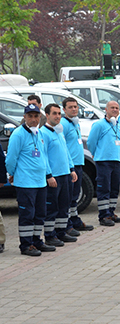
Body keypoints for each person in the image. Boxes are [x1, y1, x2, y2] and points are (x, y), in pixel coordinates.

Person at [6, 103, 57, 256]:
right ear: (24, 117)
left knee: (40, 213)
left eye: (36, 116)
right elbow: (11, 158)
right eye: (30, 116)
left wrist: (48, 175)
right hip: (25, 182)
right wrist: (12, 173)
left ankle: (36, 241)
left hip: (40, 182)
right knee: (27, 214)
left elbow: (44, 157)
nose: (34, 119)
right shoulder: (18, 134)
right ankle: (26, 245)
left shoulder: (39, 133)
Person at [40, 103, 78, 246]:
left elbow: (66, 152)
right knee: (52, 207)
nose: (57, 116)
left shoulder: (59, 131)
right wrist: (49, 175)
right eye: (54, 114)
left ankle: (61, 232)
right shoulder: (43, 133)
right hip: (54, 177)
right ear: (47, 115)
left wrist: (71, 169)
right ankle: (50, 235)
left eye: (58, 114)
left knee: (64, 205)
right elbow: (43, 156)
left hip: (65, 175)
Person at [86, 101, 120, 227]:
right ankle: (103, 215)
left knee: (114, 189)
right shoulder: (99, 125)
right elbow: (91, 141)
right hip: (104, 161)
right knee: (104, 188)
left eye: (117, 108)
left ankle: (111, 212)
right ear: (106, 110)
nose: (114, 110)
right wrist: (96, 154)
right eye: (112, 108)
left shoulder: (118, 126)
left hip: (116, 161)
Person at [62, 97, 93, 232]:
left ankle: (75, 220)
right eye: (70, 107)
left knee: (75, 196)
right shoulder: (63, 124)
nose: (74, 109)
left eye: (75, 106)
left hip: (78, 163)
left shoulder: (75, 123)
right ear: (64, 109)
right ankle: (67, 224)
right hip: (70, 165)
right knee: (69, 197)